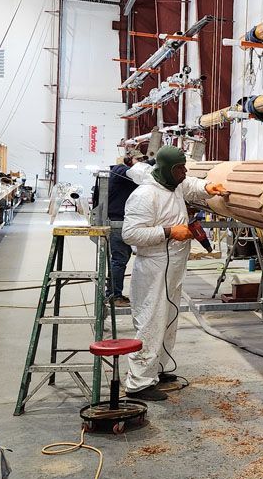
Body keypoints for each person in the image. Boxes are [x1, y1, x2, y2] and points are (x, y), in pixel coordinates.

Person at [121, 146, 225, 401]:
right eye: (180, 168)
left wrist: (207, 187)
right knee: (151, 321)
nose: (185, 172)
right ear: (167, 169)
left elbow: (190, 184)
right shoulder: (145, 195)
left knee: (168, 318)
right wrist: (168, 232)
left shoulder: (175, 184)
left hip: (174, 265)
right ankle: (139, 382)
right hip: (154, 267)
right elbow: (130, 234)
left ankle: (157, 369)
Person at [95, 149, 144, 306]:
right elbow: (135, 174)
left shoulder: (125, 173)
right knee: (119, 260)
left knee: (121, 258)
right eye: (138, 160)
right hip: (117, 223)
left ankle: (114, 293)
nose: (141, 164)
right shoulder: (120, 170)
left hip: (122, 222)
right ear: (129, 160)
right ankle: (115, 296)